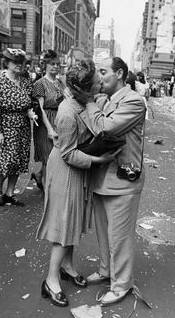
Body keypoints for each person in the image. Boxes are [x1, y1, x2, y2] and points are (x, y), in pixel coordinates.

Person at [37, 60, 118, 308]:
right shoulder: (67, 113)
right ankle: (51, 280)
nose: (100, 82)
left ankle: (67, 267)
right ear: (84, 88)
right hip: (66, 172)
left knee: (73, 223)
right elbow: (68, 154)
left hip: (78, 172)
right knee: (64, 225)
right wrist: (98, 159)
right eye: (96, 81)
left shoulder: (84, 101)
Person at [78, 57, 146, 306]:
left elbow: (105, 128)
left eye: (103, 71)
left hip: (123, 181)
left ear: (119, 73)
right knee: (105, 233)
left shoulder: (133, 101)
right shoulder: (104, 99)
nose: (98, 76)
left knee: (120, 236)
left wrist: (87, 102)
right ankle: (107, 270)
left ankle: (121, 285)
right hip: (102, 178)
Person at [0, 48, 37, 207]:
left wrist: (30, 112)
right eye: (16, 62)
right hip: (6, 127)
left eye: (22, 63)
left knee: (19, 161)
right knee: (6, 162)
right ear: (7, 63)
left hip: (23, 126)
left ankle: (9, 193)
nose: (20, 65)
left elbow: (29, 101)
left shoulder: (26, 80)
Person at [31, 50, 64, 192]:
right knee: (47, 156)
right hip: (46, 123)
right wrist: (50, 128)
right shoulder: (40, 83)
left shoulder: (60, 82)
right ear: (45, 65)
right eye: (52, 64)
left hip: (59, 119)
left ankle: (39, 176)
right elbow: (41, 108)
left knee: (57, 155)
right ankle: (47, 188)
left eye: (57, 64)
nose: (55, 67)